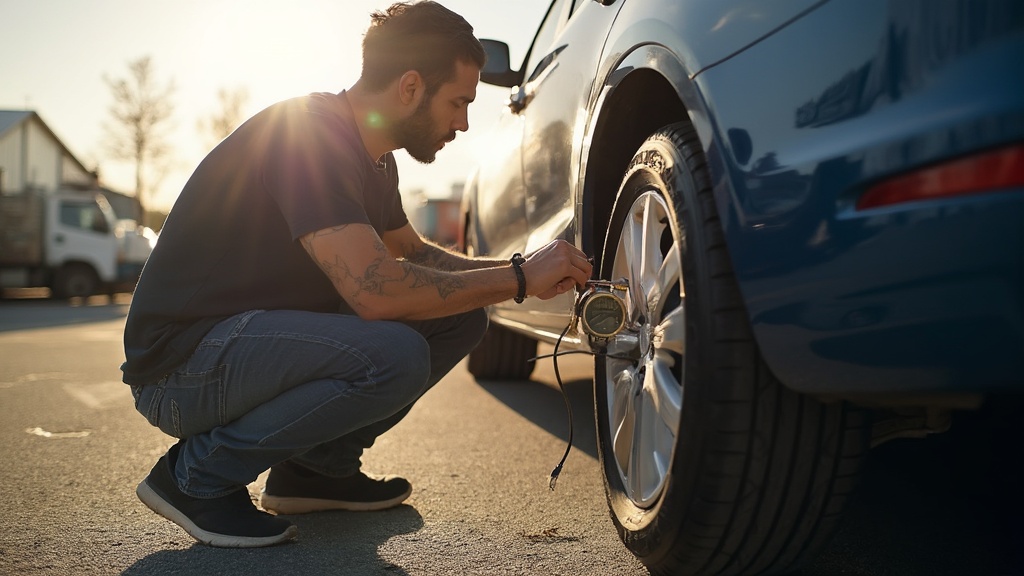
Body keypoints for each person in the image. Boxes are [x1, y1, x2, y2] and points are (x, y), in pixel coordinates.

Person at [121, 0, 592, 549]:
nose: (463, 123)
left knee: (461, 319)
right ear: (410, 86)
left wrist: (523, 273)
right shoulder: (311, 136)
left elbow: (415, 255)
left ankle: (316, 470)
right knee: (394, 352)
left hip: (241, 346)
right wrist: (517, 278)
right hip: (180, 368)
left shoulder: (375, 156)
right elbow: (375, 292)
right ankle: (194, 477)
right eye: (459, 102)